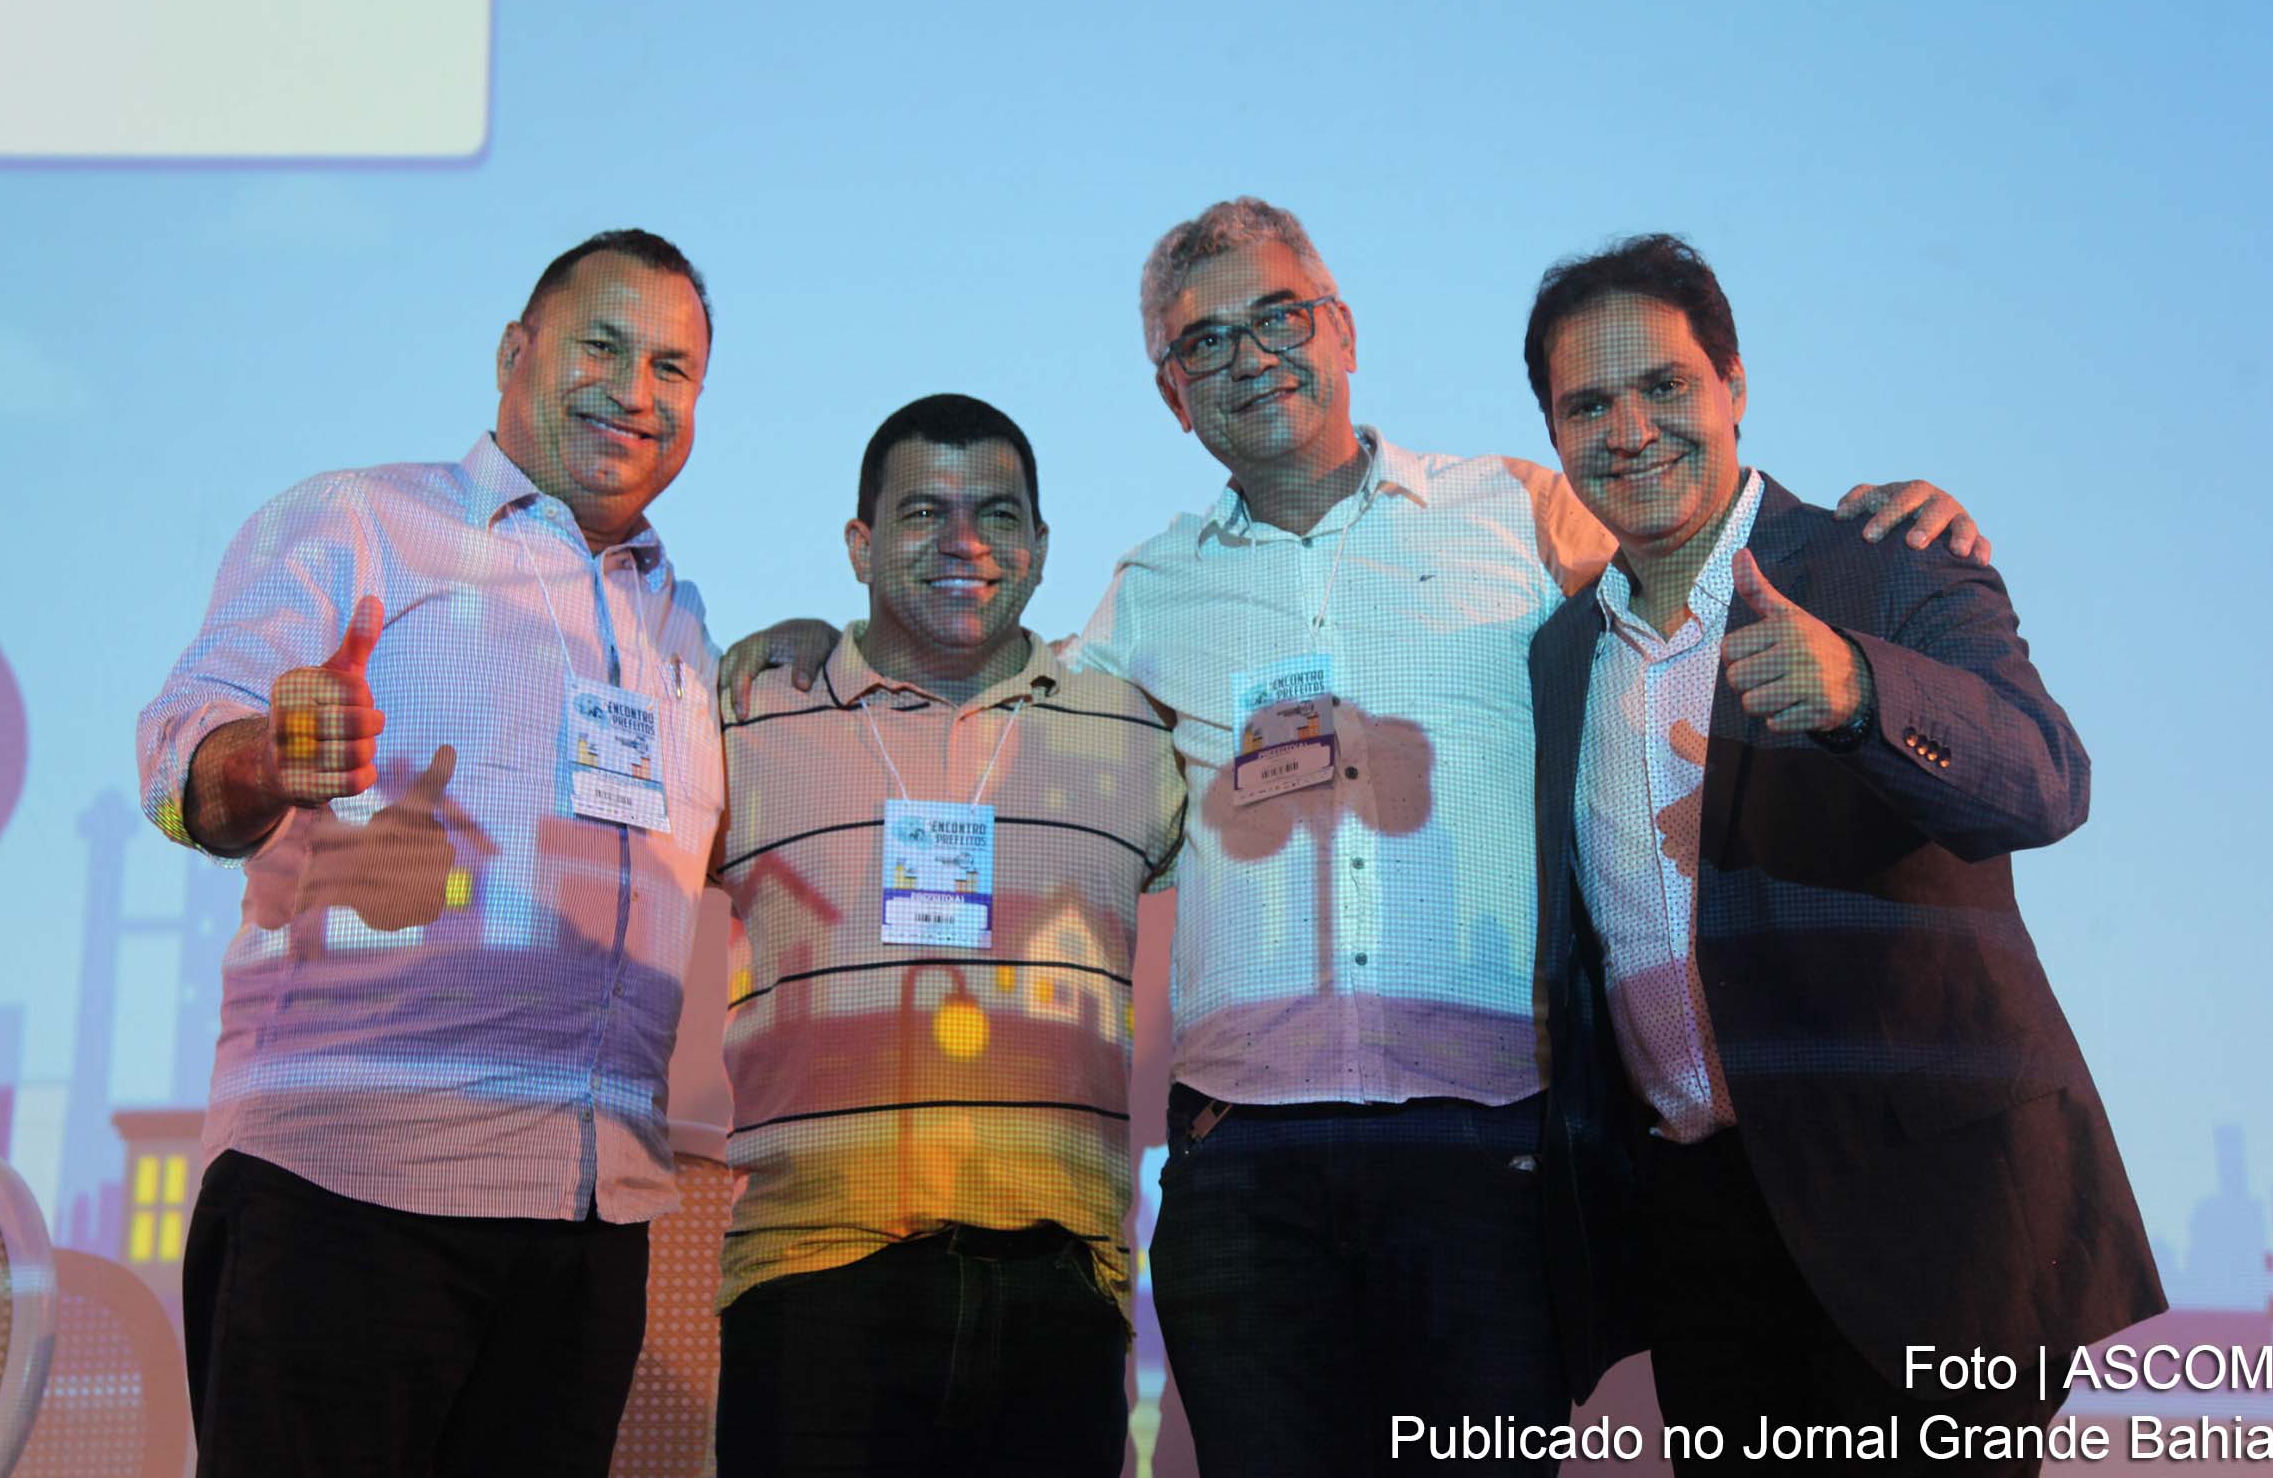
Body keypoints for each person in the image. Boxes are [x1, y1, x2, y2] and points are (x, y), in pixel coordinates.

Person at [723, 198, 1984, 1474]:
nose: (1250, 356)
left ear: (1345, 331)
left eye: (1280, 317)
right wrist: (817, 641)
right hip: (1245, 1181)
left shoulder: (1520, 513)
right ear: (1172, 395)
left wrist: (1859, 529)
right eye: (1203, 341)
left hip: (1489, 1157)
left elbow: (1699, 547)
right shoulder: (1147, 593)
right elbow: (993, 682)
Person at [1523, 233, 2162, 1472]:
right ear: (1553, 434)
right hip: (1703, 1228)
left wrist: (1863, 691)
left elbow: (2044, 776)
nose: (1632, 428)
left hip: (1929, 1217)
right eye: (1587, 403)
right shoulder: (1560, 656)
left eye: (1666, 385)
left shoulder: (1885, 559)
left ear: (1735, 385)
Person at [136, 229, 723, 1478]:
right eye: (603, 345)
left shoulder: (681, 620)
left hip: (584, 1213)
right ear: (516, 353)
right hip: (353, 1189)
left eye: (673, 368)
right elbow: (180, 753)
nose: (635, 390)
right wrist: (272, 759)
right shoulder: (363, 521)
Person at [711, 393, 1186, 1476]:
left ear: (1040, 546)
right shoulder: (748, 712)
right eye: (924, 511)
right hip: (810, 1283)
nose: (966, 543)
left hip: (1060, 1290)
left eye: (1000, 514)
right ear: (860, 545)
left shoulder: (1129, 733)